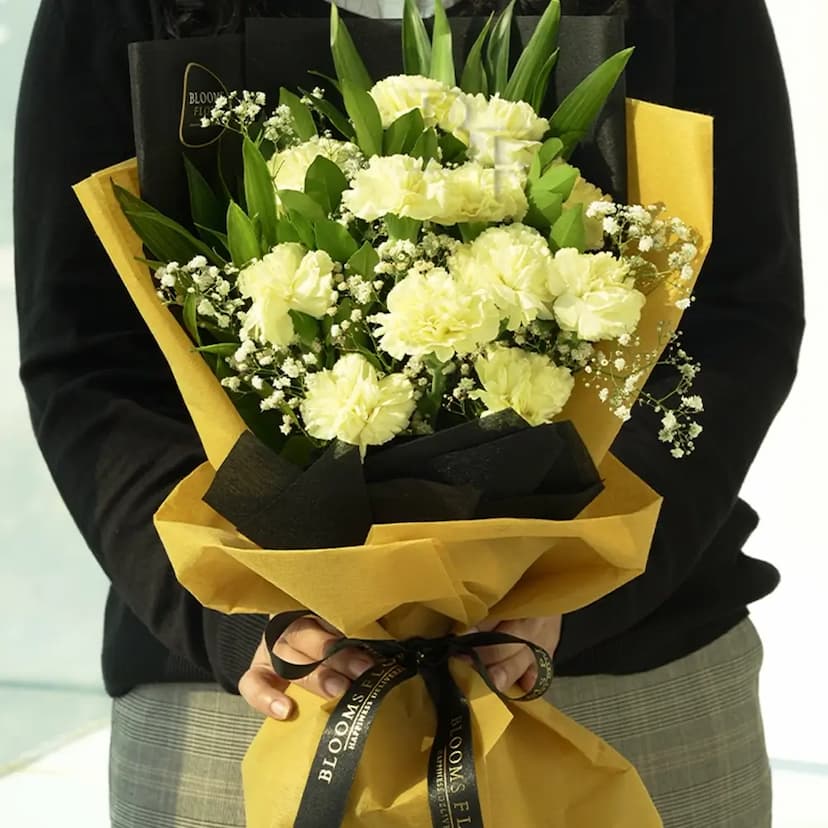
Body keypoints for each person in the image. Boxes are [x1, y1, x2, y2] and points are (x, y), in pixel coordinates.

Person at [14, 0, 803, 825]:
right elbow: (85, 348)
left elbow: (738, 309)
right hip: (251, 704)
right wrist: (233, 611)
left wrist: (583, 576)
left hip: (630, 688)